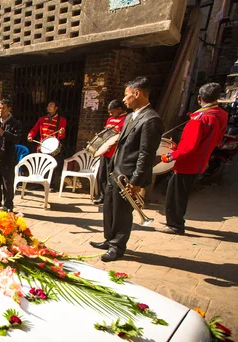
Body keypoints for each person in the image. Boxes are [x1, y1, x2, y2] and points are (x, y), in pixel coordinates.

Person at [90, 77, 163, 262]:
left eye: (127, 95)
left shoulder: (151, 119)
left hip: (129, 175)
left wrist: (136, 181)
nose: (124, 100)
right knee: (109, 208)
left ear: (137, 94)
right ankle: (109, 239)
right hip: (116, 170)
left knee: (122, 213)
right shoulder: (131, 116)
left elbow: (146, 154)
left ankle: (117, 246)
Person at [157, 83, 228, 234]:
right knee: (179, 193)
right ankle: (174, 220)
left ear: (199, 98)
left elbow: (189, 147)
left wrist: (170, 156)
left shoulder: (199, 118)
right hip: (200, 161)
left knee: (176, 196)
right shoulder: (221, 115)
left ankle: (175, 225)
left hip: (186, 164)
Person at [93, 100, 128, 205]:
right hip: (105, 151)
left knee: (110, 176)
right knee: (102, 176)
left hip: (115, 153)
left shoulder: (126, 120)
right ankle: (103, 196)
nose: (110, 114)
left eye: (112, 112)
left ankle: (110, 198)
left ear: (119, 109)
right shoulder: (110, 119)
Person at [27, 101, 67, 188]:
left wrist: (61, 133)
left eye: (51, 106)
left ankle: (50, 184)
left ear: (56, 108)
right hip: (42, 145)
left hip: (52, 146)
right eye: (48, 106)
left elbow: (62, 136)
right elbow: (34, 129)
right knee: (40, 164)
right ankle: (39, 183)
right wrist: (30, 135)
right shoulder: (42, 119)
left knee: (51, 165)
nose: (48, 107)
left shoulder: (62, 120)